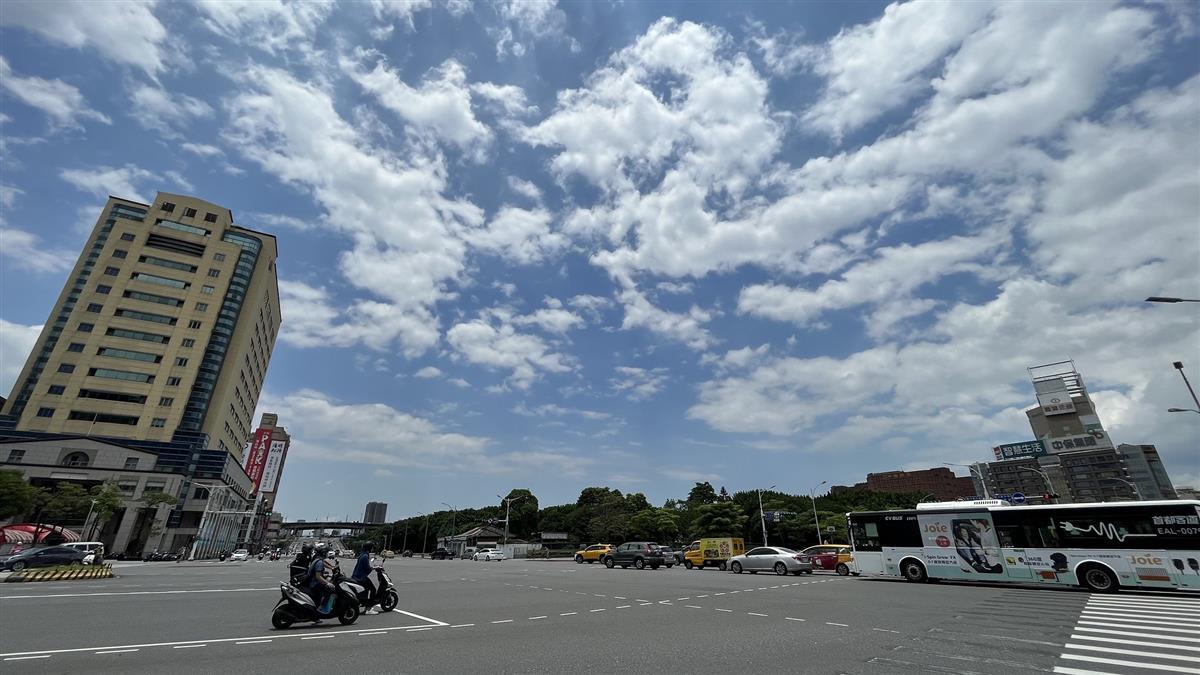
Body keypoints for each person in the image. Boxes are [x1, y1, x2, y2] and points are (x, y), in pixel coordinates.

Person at [306, 545, 336, 613]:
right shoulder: (319, 562)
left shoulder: (317, 559)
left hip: (312, 581)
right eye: (326, 552)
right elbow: (318, 577)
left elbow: (324, 564)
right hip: (314, 583)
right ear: (323, 553)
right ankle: (323, 606)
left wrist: (331, 568)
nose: (327, 554)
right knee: (331, 589)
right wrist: (327, 583)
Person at [352, 542, 378, 614]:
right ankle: (369, 608)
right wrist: (375, 568)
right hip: (361, 577)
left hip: (356, 576)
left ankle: (366, 606)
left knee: (366, 591)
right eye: (372, 547)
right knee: (373, 590)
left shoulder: (362, 554)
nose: (373, 549)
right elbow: (367, 568)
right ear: (370, 548)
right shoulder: (365, 556)